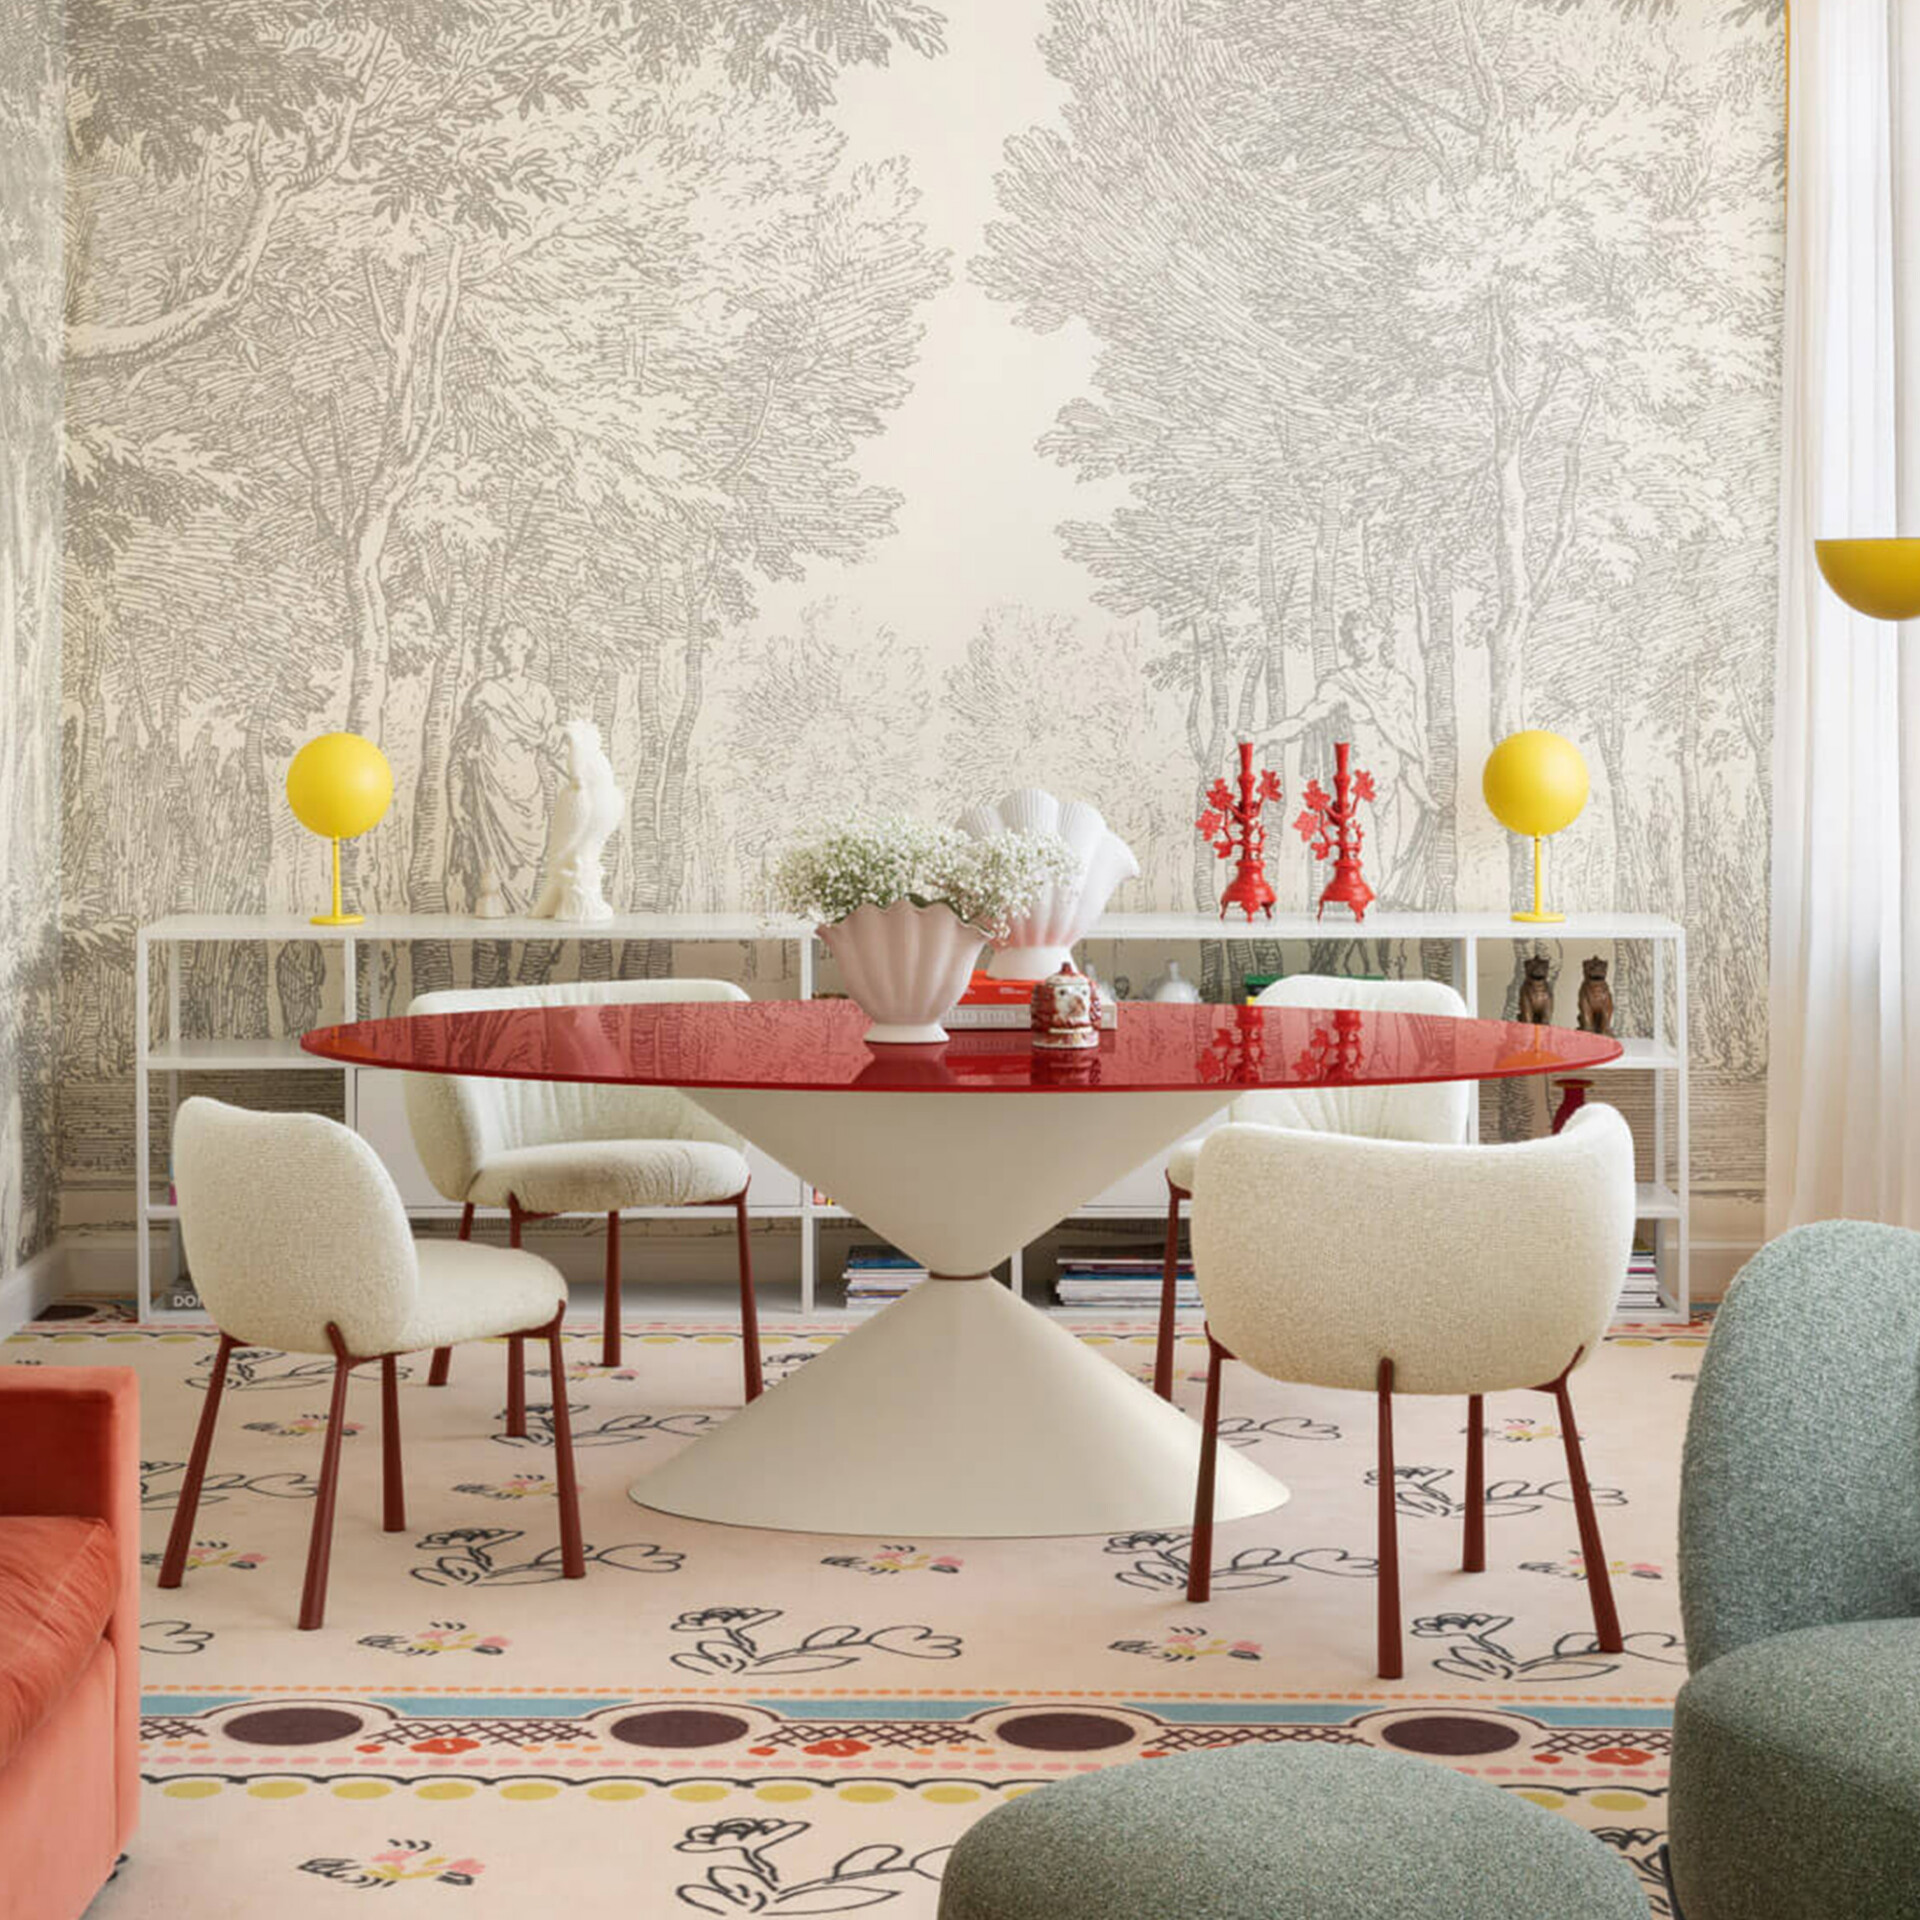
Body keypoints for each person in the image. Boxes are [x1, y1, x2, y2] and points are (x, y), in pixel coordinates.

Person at [1259, 610, 1436, 896]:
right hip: (1355, 794)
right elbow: (1304, 720)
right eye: (1354, 640)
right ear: (1347, 644)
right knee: (1365, 872)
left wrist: (1426, 798)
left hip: (1388, 788)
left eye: (1366, 637)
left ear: (1380, 637)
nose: (1361, 644)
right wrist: (1263, 738)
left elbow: (1408, 748)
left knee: (1389, 870)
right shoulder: (1340, 684)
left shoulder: (1402, 687)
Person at [450, 624, 558, 915]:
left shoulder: (541, 694)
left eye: (519, 646)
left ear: (528, 651)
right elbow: (460, 748)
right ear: (499, 649)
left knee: (528, 859)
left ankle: (522, 918)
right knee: (489, 877)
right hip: (489, 789)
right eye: (507, 645)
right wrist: (454, 798)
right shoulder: (485, 691)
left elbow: (550, 741)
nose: (513, 652)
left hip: (528, 792)